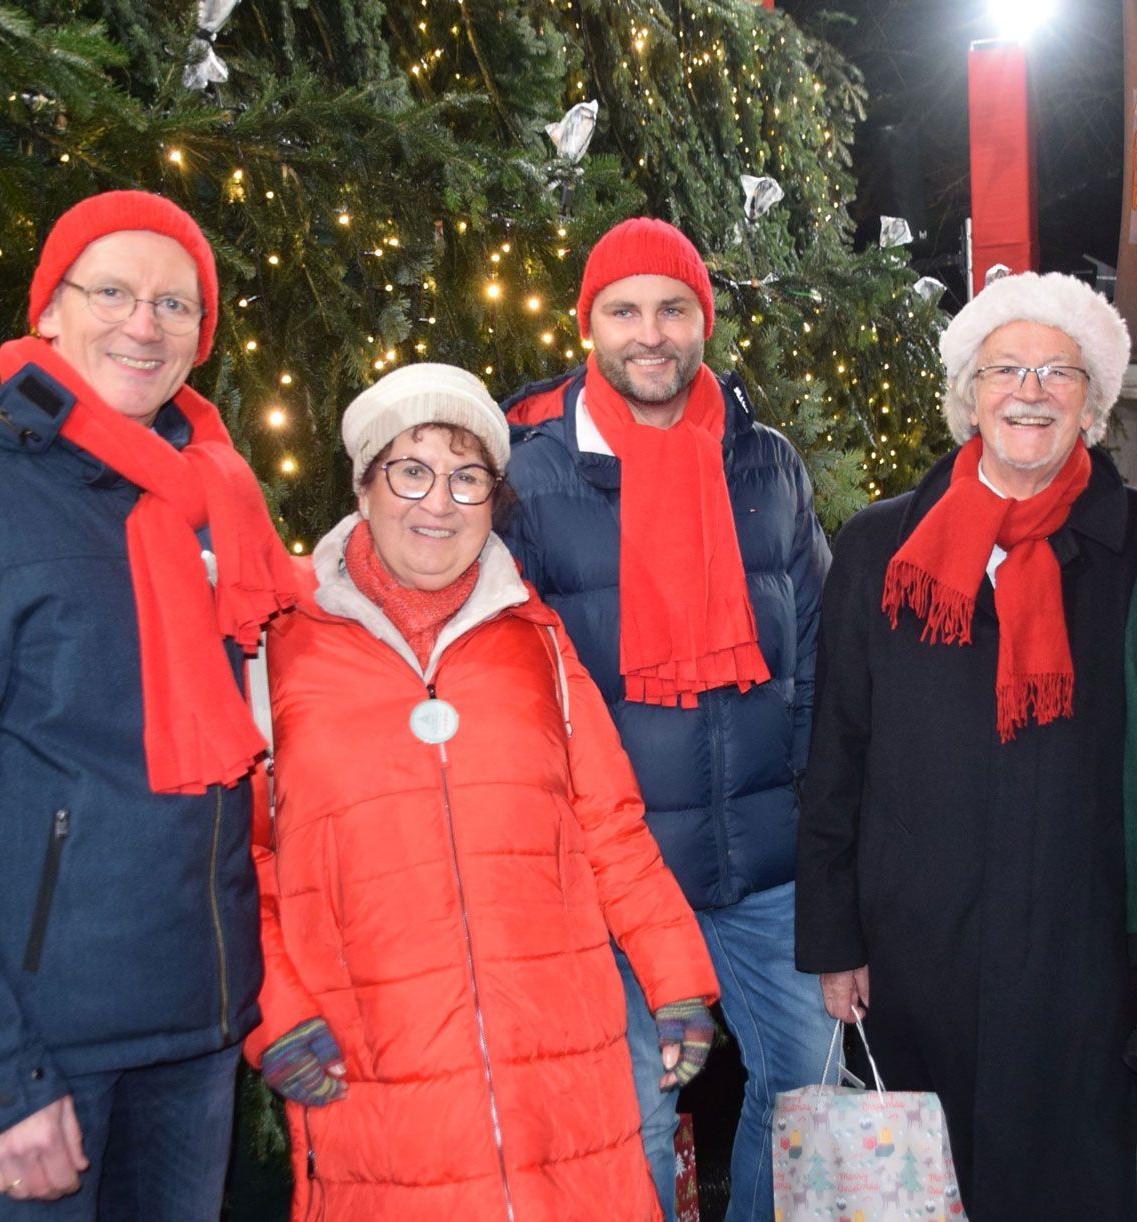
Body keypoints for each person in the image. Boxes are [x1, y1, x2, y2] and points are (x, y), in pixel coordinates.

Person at [244, 361, 720, 1221]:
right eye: (411, 470)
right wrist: (272, 1006)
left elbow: (610, 827)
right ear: (362, 484)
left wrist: (677, 976)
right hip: (380, 1082)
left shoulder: (537, 642)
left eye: (467, 478)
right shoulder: (277, 643)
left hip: (561, 1083)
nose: (438, 503)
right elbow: (238, 859)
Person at [0, 190, 296, 1218]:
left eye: (174, 305)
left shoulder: (212, 496)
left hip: (193, 1033)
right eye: (112, 293)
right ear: (50, 309)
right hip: (38, 1055)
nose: (144, 324)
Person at [502, 217, 832, 1222]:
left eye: (673, 308)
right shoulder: (531, 475)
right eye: (624, 310)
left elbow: (816, 651)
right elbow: (515, 690)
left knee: (811, 1086)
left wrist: (815, 812)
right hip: (619, 876)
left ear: (705, 320)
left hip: (765, 866)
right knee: (638, 1125)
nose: (650, 333)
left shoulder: (766, 464)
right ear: (588, 324)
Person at [796, 271, 1137, 1219]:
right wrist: (834, 940)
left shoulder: (1129, 548)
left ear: (1093, 404)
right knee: (928, 1184)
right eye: (1005, 370)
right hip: (914, 949)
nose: (1031, 391)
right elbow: (838, 749)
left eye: (1059, 371)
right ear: (968, 396)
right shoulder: (880, 548)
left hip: (1082, 951)